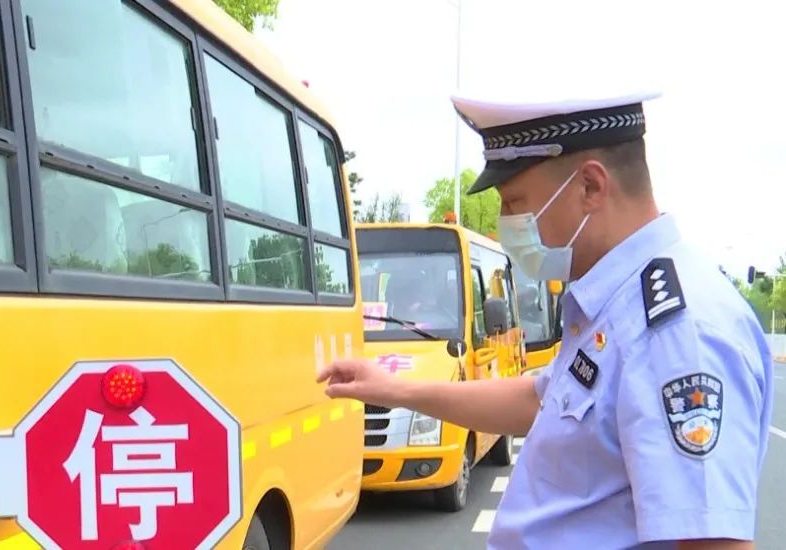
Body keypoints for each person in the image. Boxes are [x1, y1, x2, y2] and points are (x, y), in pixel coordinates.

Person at [318, 90, 774, 549]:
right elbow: (539, 401)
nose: (505, 225)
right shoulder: (617, 302)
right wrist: (393, 390)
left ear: (590, 187)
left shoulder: (677, 331)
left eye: (515, 203)